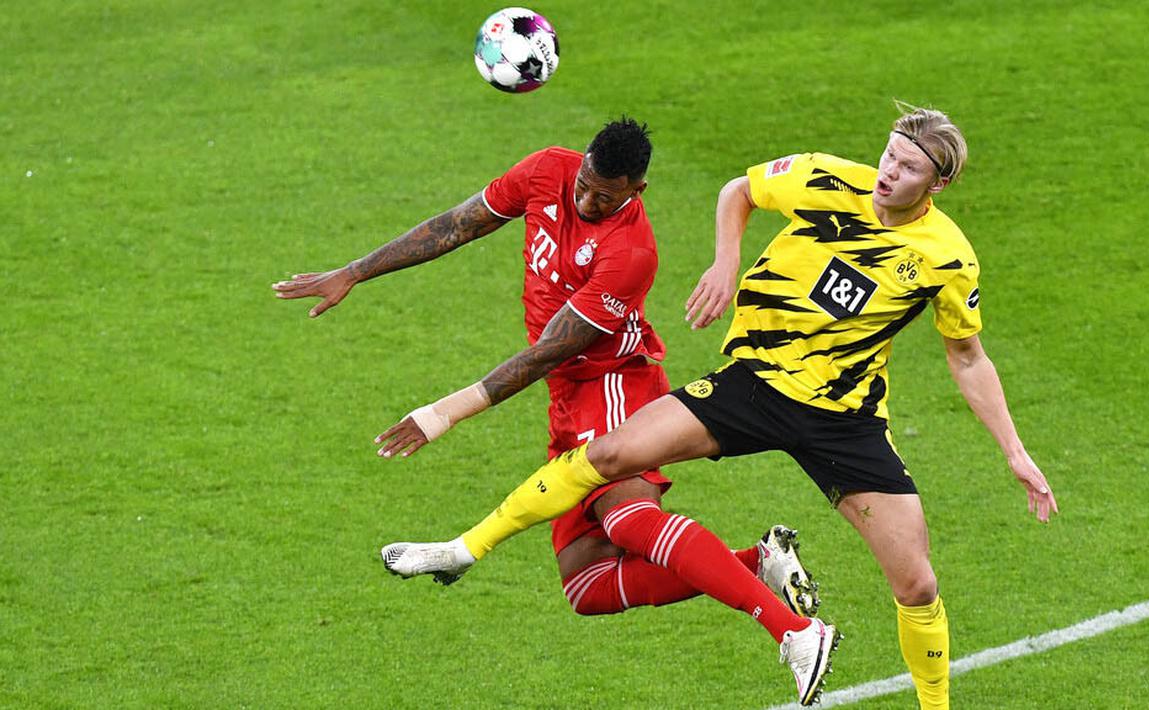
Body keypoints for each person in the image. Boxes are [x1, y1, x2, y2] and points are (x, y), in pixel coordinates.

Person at [380, 105, 1059, 708]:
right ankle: (463, 550)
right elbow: (740, 189)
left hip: (840, 419)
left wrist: (1016, 455)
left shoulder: (946, 258)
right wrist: (724, 259)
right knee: (611, 456)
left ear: (936, 184)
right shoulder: (824, 177)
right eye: (888, 155)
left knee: (914, 583)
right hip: (753, 384)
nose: (887, 172)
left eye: (907, 168)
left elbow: (966, 357)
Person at [271, 117, 823, 649]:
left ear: (636, 190)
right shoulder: (545, 171)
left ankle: (794, 632)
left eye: (605, 197)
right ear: (579, 162)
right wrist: (355, 271)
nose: (586, 202)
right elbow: (457, 225)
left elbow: (545, 353)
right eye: (584, 185)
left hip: (612, 384)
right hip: (567, 393)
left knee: (629, 520)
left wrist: (441, 414)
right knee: (587, 588)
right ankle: (759, 561)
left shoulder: (630, 252)